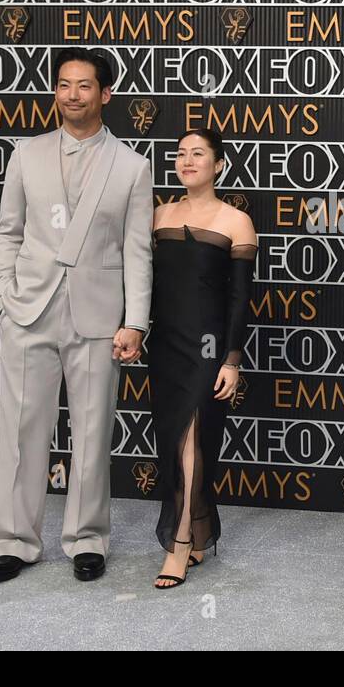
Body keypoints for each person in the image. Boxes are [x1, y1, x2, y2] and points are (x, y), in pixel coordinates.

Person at [0, 48, 153, 584]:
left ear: (105, 94)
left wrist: (136, 322)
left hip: (99, 317)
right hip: (29, 309)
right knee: (19, 430)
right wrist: (4, 294)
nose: (72, 94)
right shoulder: (25, 154)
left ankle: (87, 539)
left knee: (93, 432)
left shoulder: (132, 166)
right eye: (63, 84)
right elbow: (8, 232)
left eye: (84, 85)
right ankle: (15, 540)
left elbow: (136, 252)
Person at [144, 128, 257, 589]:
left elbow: (240, 299)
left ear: (219, 164)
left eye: (198, 154)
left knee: (194, 438)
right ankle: (194, 526)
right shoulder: (158, 215)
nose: (187, 161)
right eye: (180, 153)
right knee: (173, 443)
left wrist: (231, 359)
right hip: (166, 345)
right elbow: (145, 283)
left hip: (209, 347)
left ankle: (182, 541)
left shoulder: (235, 221)